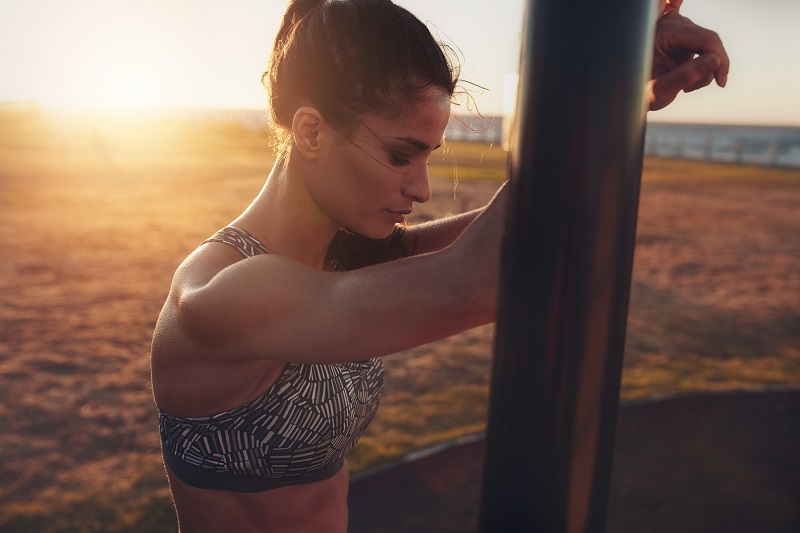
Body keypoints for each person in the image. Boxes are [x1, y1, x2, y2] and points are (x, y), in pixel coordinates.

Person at [150, 0, 728, 531]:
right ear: (310, 131)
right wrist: (601, 81)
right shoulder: (222, 295)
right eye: (401, 156)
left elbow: (508, 232)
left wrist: (622, 84)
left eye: (428, 156)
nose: (422, 189)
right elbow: (487, 276)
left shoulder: (340, 254)